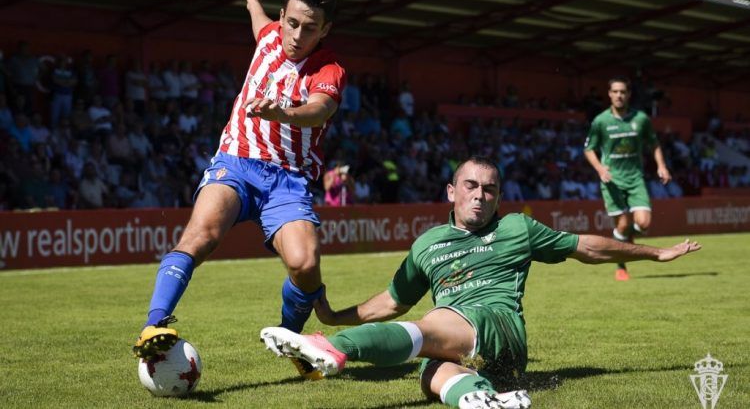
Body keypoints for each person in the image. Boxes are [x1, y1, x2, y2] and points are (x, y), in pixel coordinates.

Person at [259, 156, 700, 409]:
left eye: (489, 189)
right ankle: (483, 397)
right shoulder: (428, 243)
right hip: (493, 360)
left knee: (433, 325)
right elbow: (391, 303)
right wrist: (337, 311)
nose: (479, 195)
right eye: (470, 186)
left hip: (498, 325)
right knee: (432, 373)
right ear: (451, 192)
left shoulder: (516, 229)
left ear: (499, 197)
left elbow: (586, 245)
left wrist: (655, 252)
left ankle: (337, 349)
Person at [133, 0, 344, 362]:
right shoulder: (268, 35)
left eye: (310, 28)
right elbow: (257, 19)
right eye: (292, 23)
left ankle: (290, 338)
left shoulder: (328, 69)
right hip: (235, 161)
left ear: (325, 29)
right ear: (282, 17)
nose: (297, 35)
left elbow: (320, 110)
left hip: (288, 178)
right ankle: (155, 324)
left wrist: (282, 113)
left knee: (305, 264)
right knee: (201, 236)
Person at [583, 77, 671, 281]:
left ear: (629, 95)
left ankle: (625, 240)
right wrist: (599, 169)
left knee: (644, 223)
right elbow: (588, 149)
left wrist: (661, 166)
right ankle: (621, 266)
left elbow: (654, 144)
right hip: (611, 180)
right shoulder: (601, 121)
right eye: (615, 92)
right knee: (622, 225)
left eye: (623, 92)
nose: (619, 95)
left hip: (635, 179)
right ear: (609, 94)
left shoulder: (641, 119)